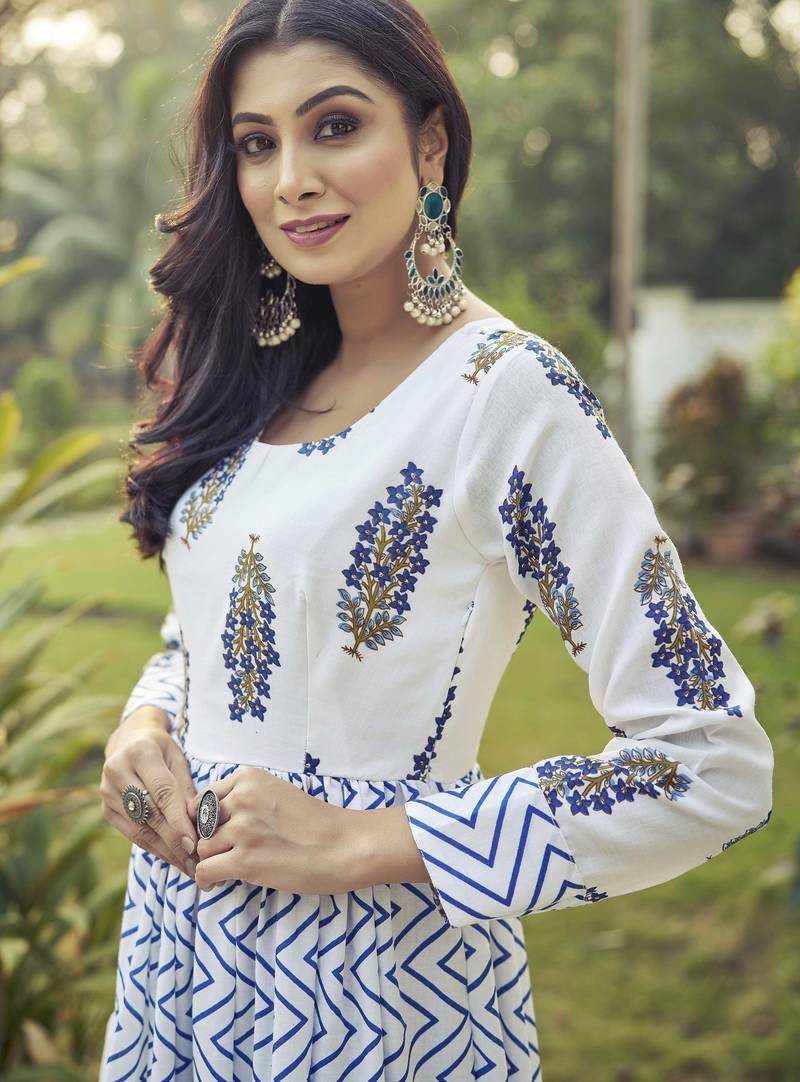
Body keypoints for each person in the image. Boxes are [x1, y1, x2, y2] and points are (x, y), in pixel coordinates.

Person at [98, 0, 774, 1078]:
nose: (291, 180)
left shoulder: (503, 393)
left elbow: (709, 760)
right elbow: (214, 625)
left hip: (373, 980)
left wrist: (365, 840)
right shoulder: (260, 383)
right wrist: (146, 722)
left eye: (334, 126)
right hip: (186, 958)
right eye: (257, 144)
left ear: (429, 144)